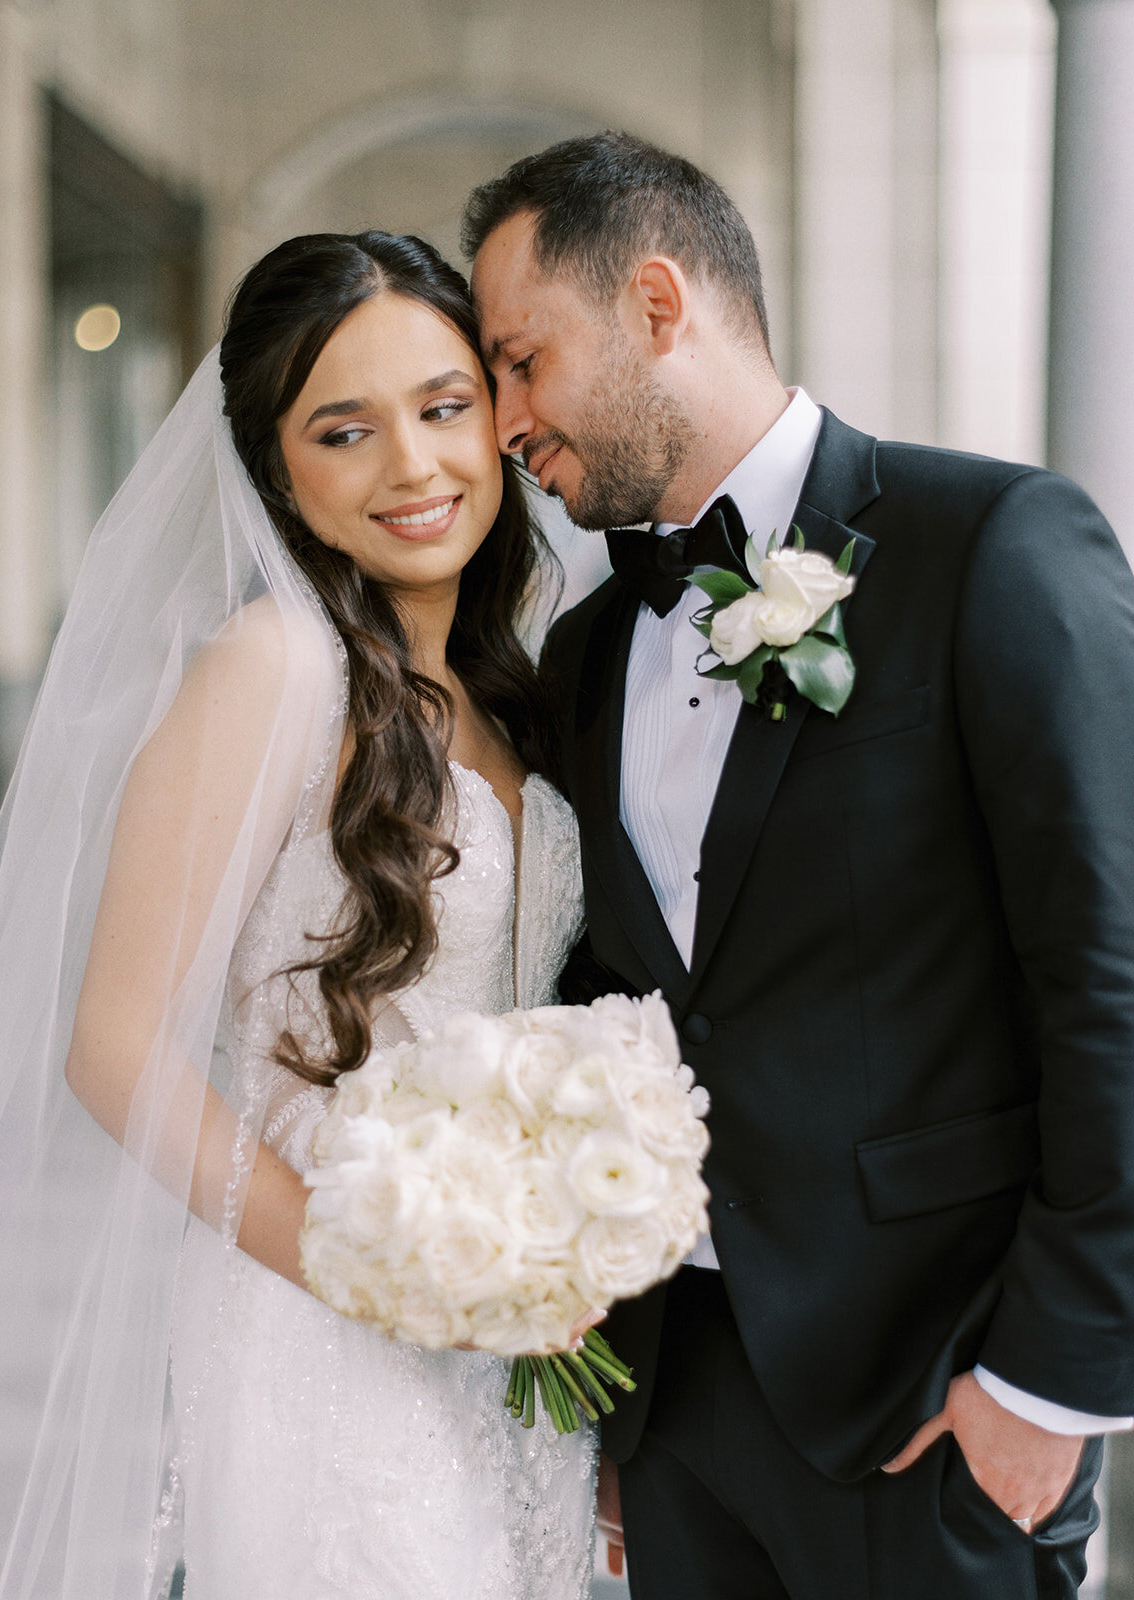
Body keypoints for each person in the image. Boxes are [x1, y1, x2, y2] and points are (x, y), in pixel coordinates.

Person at [464, 131, 1134, 1600]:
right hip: (677, 1415)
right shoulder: (583, 653)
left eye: (523, 361)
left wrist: (1052, 1383)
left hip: (932, 1406)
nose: (504, 422)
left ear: (656, 306)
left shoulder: (994, 547)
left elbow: (1111, 978)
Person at [0, 232, 596, 1599]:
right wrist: (380, 1277)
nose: (413, 467)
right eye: (345, 431)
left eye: (442, 406)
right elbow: (113, 1049)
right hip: (321, 1334)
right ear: (277, 471)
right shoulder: (274, 666)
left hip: (504, 1342)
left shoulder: (509, 689)